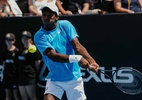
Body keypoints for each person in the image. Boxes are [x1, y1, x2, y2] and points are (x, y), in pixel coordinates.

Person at [34, 2, 99, 100]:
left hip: (74, 78)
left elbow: (78, 46)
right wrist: (78, 58)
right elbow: (53, 56)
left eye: (50, 15)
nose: (46, 17)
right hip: (55, 79)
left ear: (56, 17)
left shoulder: (66, 25)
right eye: (44, 15)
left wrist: (92, 61)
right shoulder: (39, 36)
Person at [18, 31, 41, 100]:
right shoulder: (21, 48)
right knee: (24, 97)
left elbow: (38, 63)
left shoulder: (33, 49)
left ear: (30, 39)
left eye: (26, 38)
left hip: (29, 76)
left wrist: (34, 73)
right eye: (23, 38)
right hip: (21, 76)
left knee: (32, 97)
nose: (24, 39)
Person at [0, 33, 21, 100]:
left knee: (16, 96)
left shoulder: (17, 51)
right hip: (6, 77)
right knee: (7, 96)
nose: (8, 42)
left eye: (10, 40)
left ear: (14, 40)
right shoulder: (3, 51)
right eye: (7, 40)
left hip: (14, 77)